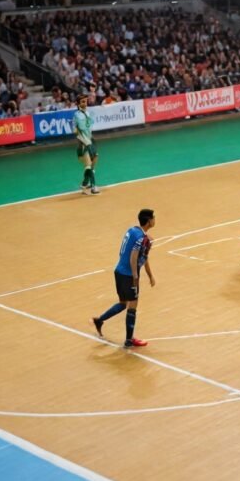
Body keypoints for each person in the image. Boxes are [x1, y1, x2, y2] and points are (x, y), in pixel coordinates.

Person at [92, 209, 156, 348]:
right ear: (149, 221)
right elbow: (134, 257)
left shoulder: (132, 231)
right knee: (132, 306)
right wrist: (135, 276)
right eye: (153, 217)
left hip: (119, 271)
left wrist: (150, 275)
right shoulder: (142, 238)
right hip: (128, 275)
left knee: (122, 303)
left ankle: (100, 320)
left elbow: (139, 256)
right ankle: (129, 340)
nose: (155, 219)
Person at [73, 92, 100, 194]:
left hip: (90, 140)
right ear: (78, 103)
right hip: (83, 142)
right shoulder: (76, 115)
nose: (85, 103)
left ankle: (85, 183)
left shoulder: (87, 113)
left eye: (86, 101)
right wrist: (76, 131)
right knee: (88, 164)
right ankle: (93, 187)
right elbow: (74, 128)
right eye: (83, 101)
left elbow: (89, 128)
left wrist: (92, 138)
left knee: (95, 159)